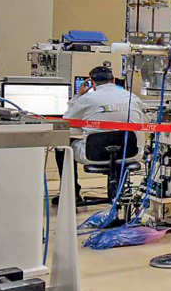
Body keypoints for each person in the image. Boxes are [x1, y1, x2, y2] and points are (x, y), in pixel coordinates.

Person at [58, 65, 152, 203]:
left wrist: (78, 95)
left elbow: (66, 121)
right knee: (119, 141)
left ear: (91, 82)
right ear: (113, 80)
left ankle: (72, 194)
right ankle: (119, 193)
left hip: (95, 155)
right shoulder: (131, 97)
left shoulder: (86, 99)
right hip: (130, 153)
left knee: (62, 148)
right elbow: (147, 119)